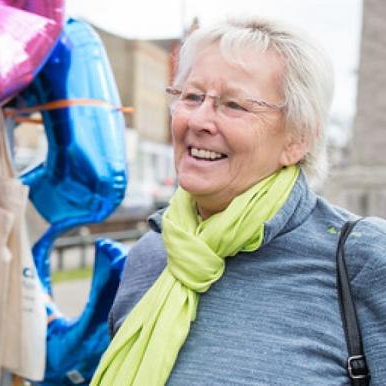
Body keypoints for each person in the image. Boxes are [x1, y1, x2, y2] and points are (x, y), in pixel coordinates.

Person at [93, 17, 386, 385]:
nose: (199, 120)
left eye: (234, 105)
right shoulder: (152, 254)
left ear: (298, 138)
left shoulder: (364, 260)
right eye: (192, 96)